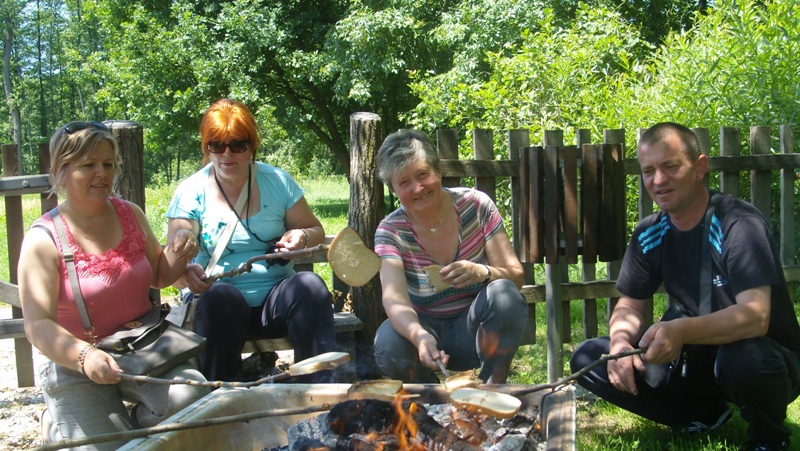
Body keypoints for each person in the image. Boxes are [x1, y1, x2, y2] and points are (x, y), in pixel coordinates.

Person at [569, 122, 800, 451]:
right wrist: (619, 344)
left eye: (670, 166)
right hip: (694, 353)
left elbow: (755, 317)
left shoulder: (737, 223)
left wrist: (679, 331)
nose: (658, 180)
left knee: (742, 358)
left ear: (700, 167)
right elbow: (630, 305)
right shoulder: (649, 233)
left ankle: (768, 439)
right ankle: (700, 415)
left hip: (767, 357)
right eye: (649, 171)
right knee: (589, 358)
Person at [17, 121, 210, 449]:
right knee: (109, 446)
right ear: (61, 171)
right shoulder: (43, 239)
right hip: (75, 361)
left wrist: (180, 249)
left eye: (108, 164)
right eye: (88, 165)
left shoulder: (130, 214)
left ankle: (131, 427)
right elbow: (37, 325)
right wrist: (84, 356)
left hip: (142, 346)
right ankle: (59, 425)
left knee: (193, 399)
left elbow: (159, 275)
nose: (101, 173)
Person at [166, 98, 336, 382]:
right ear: (206, 148)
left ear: (252, 145)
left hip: (276, 299)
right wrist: (186, 273)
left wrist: (302, 236)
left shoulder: (277, 181)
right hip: (220, 304)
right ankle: (221, 396)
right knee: (220, 298)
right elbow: (172, 268)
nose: (227, 154)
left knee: (310, 287)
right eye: (216, 145)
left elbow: (314, 229)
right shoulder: (191, 191)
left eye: (238, 144)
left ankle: (319, 390)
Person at [373, 129, 528, 384]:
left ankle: (492, 389)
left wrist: (482, 273)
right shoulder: (390, 231)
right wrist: (419, 336)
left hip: (475, 330)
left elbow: (516, 277)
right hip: (425, 331)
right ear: (393, 188)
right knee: (387, 342)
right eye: (404, 182)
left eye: (423, 174)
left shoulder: (476, 205)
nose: (418, 188)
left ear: (438, 170)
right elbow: (394, 300)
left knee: (505, 294)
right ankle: (431, 398)